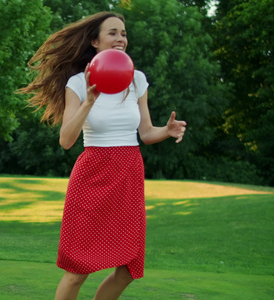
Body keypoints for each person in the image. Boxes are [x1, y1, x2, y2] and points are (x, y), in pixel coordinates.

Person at [19, 12, 187, 300]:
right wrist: (90, 101)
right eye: (112, 33)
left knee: (128, 270)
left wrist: (166, 131)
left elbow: (145, 133)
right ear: (95, 41)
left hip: (129, 176)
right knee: (77, 271)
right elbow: (66, 140)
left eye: (123, 33)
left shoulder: (137, 80)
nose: (120, 38)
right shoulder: (78, 83)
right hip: (93, 176)